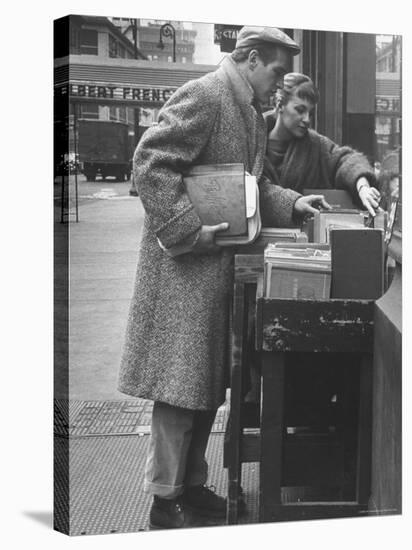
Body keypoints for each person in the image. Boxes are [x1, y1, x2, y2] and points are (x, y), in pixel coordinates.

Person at [118, 27, 329, 530]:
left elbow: (254, 187)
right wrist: (190, 229)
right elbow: (150, 163)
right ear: (251, 60)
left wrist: (293, 202)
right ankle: (164, 499)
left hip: (210, 270)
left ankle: (188, 486)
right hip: (183, 270)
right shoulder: (208, 94)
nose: (280, 85)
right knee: (179, 388)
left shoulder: (248, 112)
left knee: (204, 385)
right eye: (276, 72)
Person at [263, 72, 381, 218]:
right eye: (300, 110)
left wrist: (363, 187)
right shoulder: (253, 142)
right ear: (280, 105)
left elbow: (347, 160)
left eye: (311, 113)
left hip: (304, 235)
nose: (306, 119)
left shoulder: (315, 144)